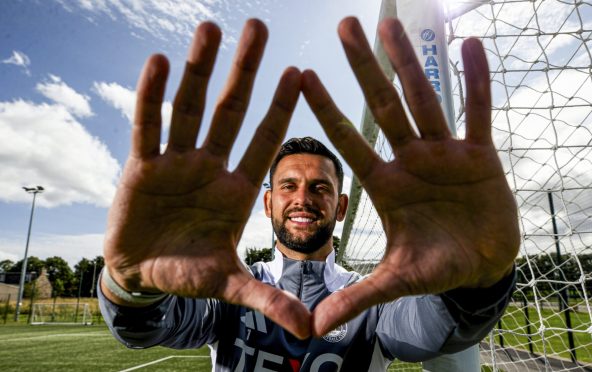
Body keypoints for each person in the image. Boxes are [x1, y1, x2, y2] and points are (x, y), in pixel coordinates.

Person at [99, 17, 520, 371]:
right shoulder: (231, 289)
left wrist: (479, 284)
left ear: (341, 207)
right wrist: (130, 284)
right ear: (268, 204)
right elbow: (146, 328)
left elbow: (433, 329)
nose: (303, 198)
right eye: (288, 186)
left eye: (320, 187)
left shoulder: (371, 298)